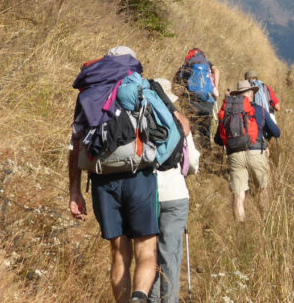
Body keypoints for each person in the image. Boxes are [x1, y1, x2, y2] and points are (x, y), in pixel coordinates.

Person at [68, 46, 157, 303]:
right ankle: (139, 298)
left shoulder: (89, 90)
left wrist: (74, 191)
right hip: (139, 176)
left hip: (102, 179)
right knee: (146, 250)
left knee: (119, 253)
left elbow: (75, 145)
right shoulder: (139, 86)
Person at [148, 78, 200, 303]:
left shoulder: (141, 119)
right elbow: (194, 164)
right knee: (170, 254)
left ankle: (150, 298)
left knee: (148, 254)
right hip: (175, 194)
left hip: (146, 193)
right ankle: (168, 300)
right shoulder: (180, 122)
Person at [215, 81, 281, 222]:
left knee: (238, 195)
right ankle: (265, 223)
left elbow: (218, 140)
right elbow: (276, 132)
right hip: (257, 153)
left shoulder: (228, 111)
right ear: (251, 95)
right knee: (262, 189)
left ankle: (240, 227)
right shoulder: (260, 110)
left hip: (235, 154)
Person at [173, 48, 221, 148]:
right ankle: (207, 157)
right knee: (206, 134)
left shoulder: (186, 65)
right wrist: (215, 87)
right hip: (207, 102)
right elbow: (216, 70)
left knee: (192, 133)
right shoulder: (207, 64)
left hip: (192, 103)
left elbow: (178, 83)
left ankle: (194, 156)